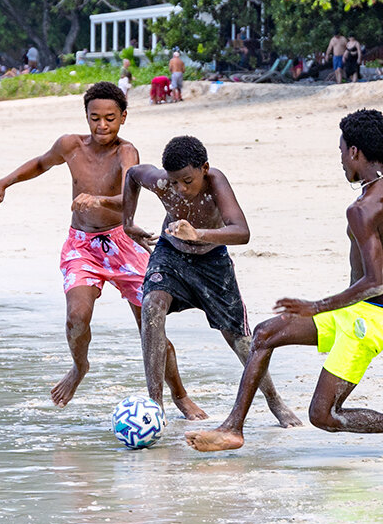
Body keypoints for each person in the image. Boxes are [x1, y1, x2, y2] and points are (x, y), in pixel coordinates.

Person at [184, 109, 383, 453]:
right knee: (265, 333)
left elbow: (374, 282)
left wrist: (315, 306)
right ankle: (233, 428)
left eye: (341, 151)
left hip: (370, 319)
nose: (340, 160)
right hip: (354, 312)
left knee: (324, 416)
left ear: (354, 152)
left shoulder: (363, 208)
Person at [0, 82, 188, 410]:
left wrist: (98, 200)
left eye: (110, 118)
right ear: (86, 117)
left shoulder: (126, 152)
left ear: (123, 117)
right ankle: (80, 367)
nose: (102, 125)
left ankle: (179, 394)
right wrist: (2, 183)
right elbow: (40, 163)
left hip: (123, 245)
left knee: (150, 326)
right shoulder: (70, 145)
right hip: (82, 247)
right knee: (76, 318)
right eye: (95, 118)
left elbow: (127, 201)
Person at [122, 136, 300, 427]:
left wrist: (199, 234)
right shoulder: (160, 181)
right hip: (170, 255)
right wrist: (127, 223)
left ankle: (274, 401)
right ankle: (155, 404)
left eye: (188, 181)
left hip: (212, 261)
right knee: (151, 309)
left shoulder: (216, 182)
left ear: (204, 168)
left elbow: (241, 231)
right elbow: (132, 175)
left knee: (240, 340)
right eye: (174, 182)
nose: (181, 189)